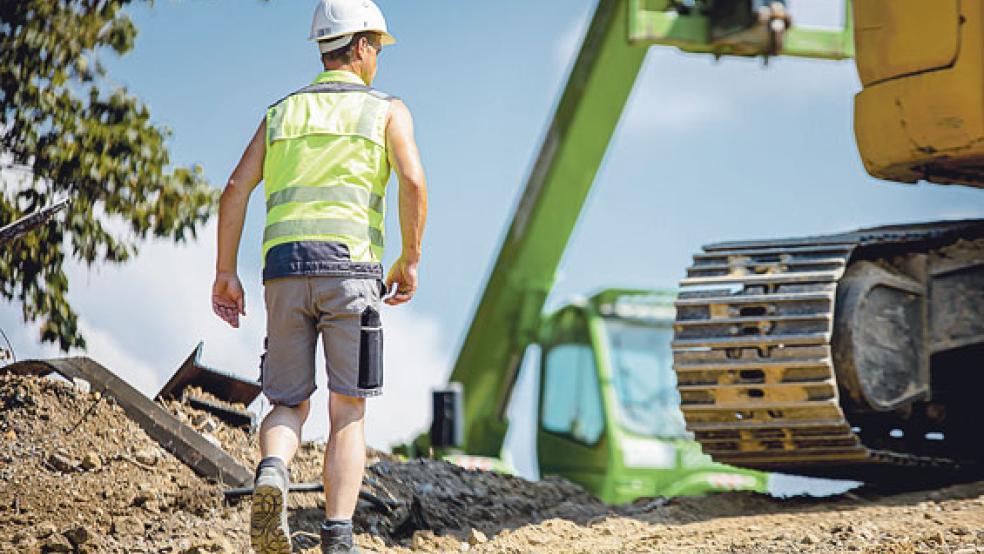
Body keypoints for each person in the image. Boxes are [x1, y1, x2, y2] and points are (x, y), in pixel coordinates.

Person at [210, 1, 427, 551]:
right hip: (350, 271)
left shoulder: (281, 114)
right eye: (377, 47)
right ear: (361, 46)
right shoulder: (386, 111)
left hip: (284, 272)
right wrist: (410, 260)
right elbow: (412, 181)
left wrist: (225, 272)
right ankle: (337, 535)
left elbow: (234, 190)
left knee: (286, 401)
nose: (378, 58)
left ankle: (272, 474)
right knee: (347, 408)